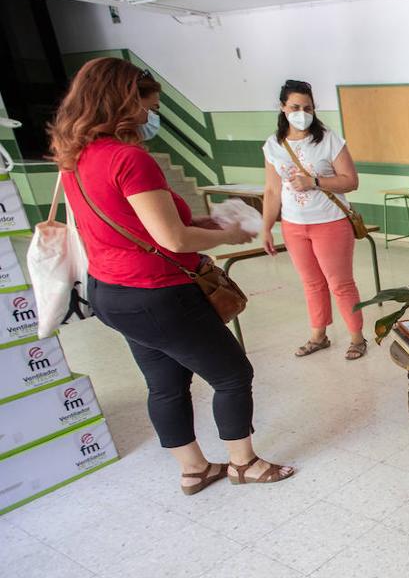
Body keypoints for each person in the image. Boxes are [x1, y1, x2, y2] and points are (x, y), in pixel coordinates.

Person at [49, 57, 294, 494]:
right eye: (148, 105)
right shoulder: (129, 159)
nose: (150, 116)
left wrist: (202, 221)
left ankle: (195, 469)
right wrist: (229, 233)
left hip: (111, 293)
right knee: (232, 375)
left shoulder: (75, 159)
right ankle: (244, 463)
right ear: (125, 102)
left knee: (164, 384)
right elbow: (174, 240)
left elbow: (135, 222)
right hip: (156, 293)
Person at [260, 80, 366, 360]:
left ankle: (357, 337)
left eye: (307, 107)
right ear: (283, 108)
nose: (301, 112)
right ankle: (319, 336)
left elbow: (350, 181)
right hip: (294, 225)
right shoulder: (274, 145)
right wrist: (267, 227)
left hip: (330, 222)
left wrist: (315, 181)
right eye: (295, 107)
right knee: (311, 283)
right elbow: (271, 190)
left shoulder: (328, 139)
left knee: (340, 283)